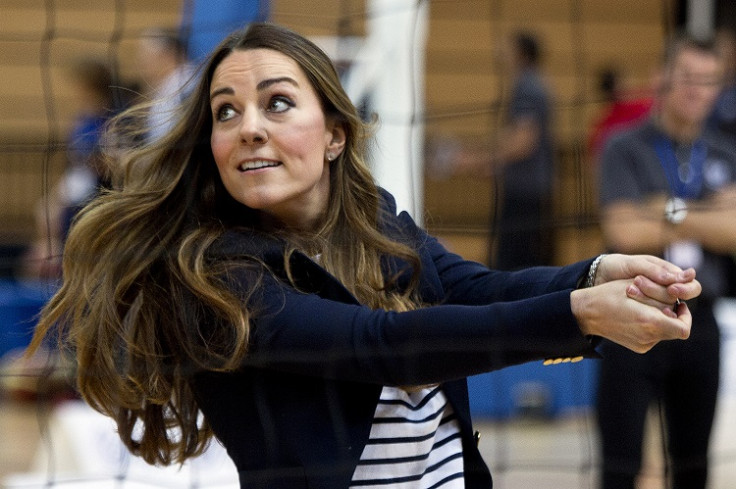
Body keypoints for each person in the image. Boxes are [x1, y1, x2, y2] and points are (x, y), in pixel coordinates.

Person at [27, 23, 701, 489]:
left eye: (277, 102)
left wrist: (596, 271)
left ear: (334, 136)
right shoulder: (212, 271)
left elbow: (478, 289)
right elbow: (379, 343)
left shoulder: (377, 221)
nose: (248, 125)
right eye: (225, 113)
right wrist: (581, 313)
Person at [597, 34, 736, 489]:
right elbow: (624, 231)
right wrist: (707, 212)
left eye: (709, 80)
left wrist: (666, 208)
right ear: (662, 78)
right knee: (620, 465)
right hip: (631, 310)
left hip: (701, 322)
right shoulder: (623, 147)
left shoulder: (724, 151)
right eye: (687, 77)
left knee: (694, 466)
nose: (697, 89)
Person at [20, 58, 118, 280]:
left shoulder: (111, 120)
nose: (77, 91)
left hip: (98, 191)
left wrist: (99, 160)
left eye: (81, 85)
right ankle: (51, 261)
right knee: (45, 210)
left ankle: (57, 261)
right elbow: (75, 161)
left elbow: (109, 164)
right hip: (77, 183)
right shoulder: (82, 118)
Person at [491, 31, 555, 270]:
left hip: (525, 191)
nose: (501, 53)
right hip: (534, 187)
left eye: (508, 48)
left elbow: (523, 140)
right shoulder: (536, 82)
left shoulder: (528, 86)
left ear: (521, 54)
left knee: (518, 263)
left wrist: (487, 161)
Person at [136, 27, 197, 141]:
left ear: (169, 54)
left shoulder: (185, 85)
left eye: (148, 58)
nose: (143, 65)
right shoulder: (170, 85)